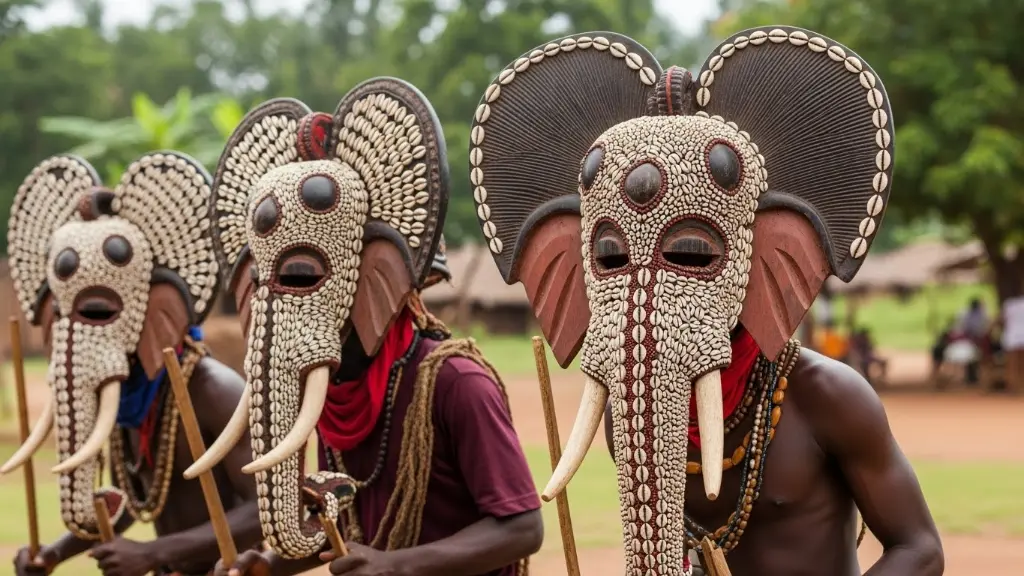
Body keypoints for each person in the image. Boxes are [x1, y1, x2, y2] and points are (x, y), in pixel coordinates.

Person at [469, 28, 942, 575]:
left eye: (689, 254)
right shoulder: (632, 401)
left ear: (767, 255)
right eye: (612, 258)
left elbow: (919, 549)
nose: (650, 294)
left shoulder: (826, 396)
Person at [187, 80, 542, 576]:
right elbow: (347, 526)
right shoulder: (335, 387)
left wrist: (397, 566)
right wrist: (270, 563)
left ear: (377, 278)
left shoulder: (454, 382)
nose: (287, 308)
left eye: (304, 281)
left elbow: (522, 527)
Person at [4, 153, 263, 575]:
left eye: (101, 315)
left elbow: (264, 510)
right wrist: (53, 553)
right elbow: (136, 497)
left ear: (160, 306)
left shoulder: (212, 389)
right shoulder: (127, 393)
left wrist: (153, 553)